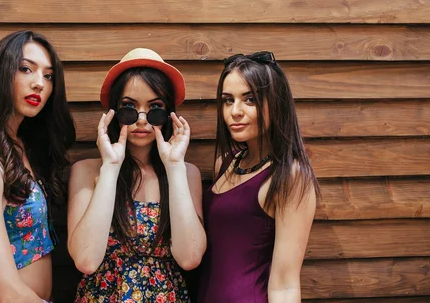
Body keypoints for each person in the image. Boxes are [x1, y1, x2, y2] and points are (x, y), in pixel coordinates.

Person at [68, 48, 206, 302]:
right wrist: (110, 167)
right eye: (129, 108)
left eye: (155, 109)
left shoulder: (186, 174)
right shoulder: (87, 171)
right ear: (113, 113)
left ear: (168, 116)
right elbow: (86, 260)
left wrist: (174, 167)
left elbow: (190, 258)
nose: (142, 119)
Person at [0, 30, 76, 302]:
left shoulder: (20, 146)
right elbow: (4, 289)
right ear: (0, 73)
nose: (39, 83)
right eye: (25, 69)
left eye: (48, 75)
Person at [198, 51, 320, 303]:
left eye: (250, 99)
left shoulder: (290, 176)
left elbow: (285, 284)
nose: (235, 111)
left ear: (275, 103)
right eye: (227, 100)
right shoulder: (226, 163)